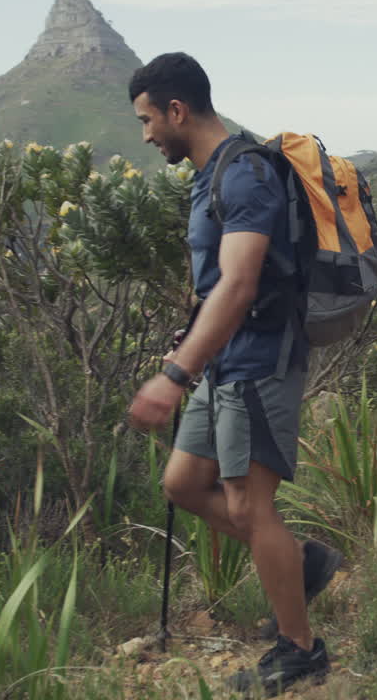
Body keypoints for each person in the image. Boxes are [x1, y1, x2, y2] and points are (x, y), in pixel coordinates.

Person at [125, 52, 338, 695]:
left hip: (258, 361)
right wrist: (196, 335)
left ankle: (300, 649)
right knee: (184, 484)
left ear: (177, 110)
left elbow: (241, 283)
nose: (146, 135)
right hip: (223, 360)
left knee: (250, 505)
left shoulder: (244, 174)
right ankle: (299, 561)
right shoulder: (211, 175)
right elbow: (221, 282)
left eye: (147, 121)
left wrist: (174, 373)